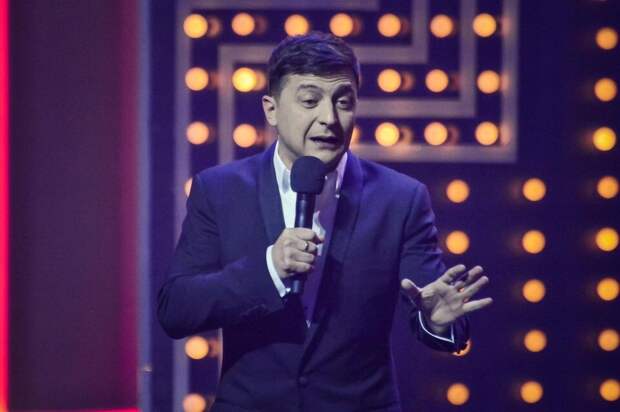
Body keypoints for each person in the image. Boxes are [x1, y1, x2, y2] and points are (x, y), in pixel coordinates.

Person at [157, 31, 492, 412]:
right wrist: (269, 269)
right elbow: (176, 310)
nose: (329, 119)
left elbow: (432, 305)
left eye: (343, 102)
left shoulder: (400, 198)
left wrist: (437, 322)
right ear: (271, 109)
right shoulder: (220, 190)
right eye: (310, 101)